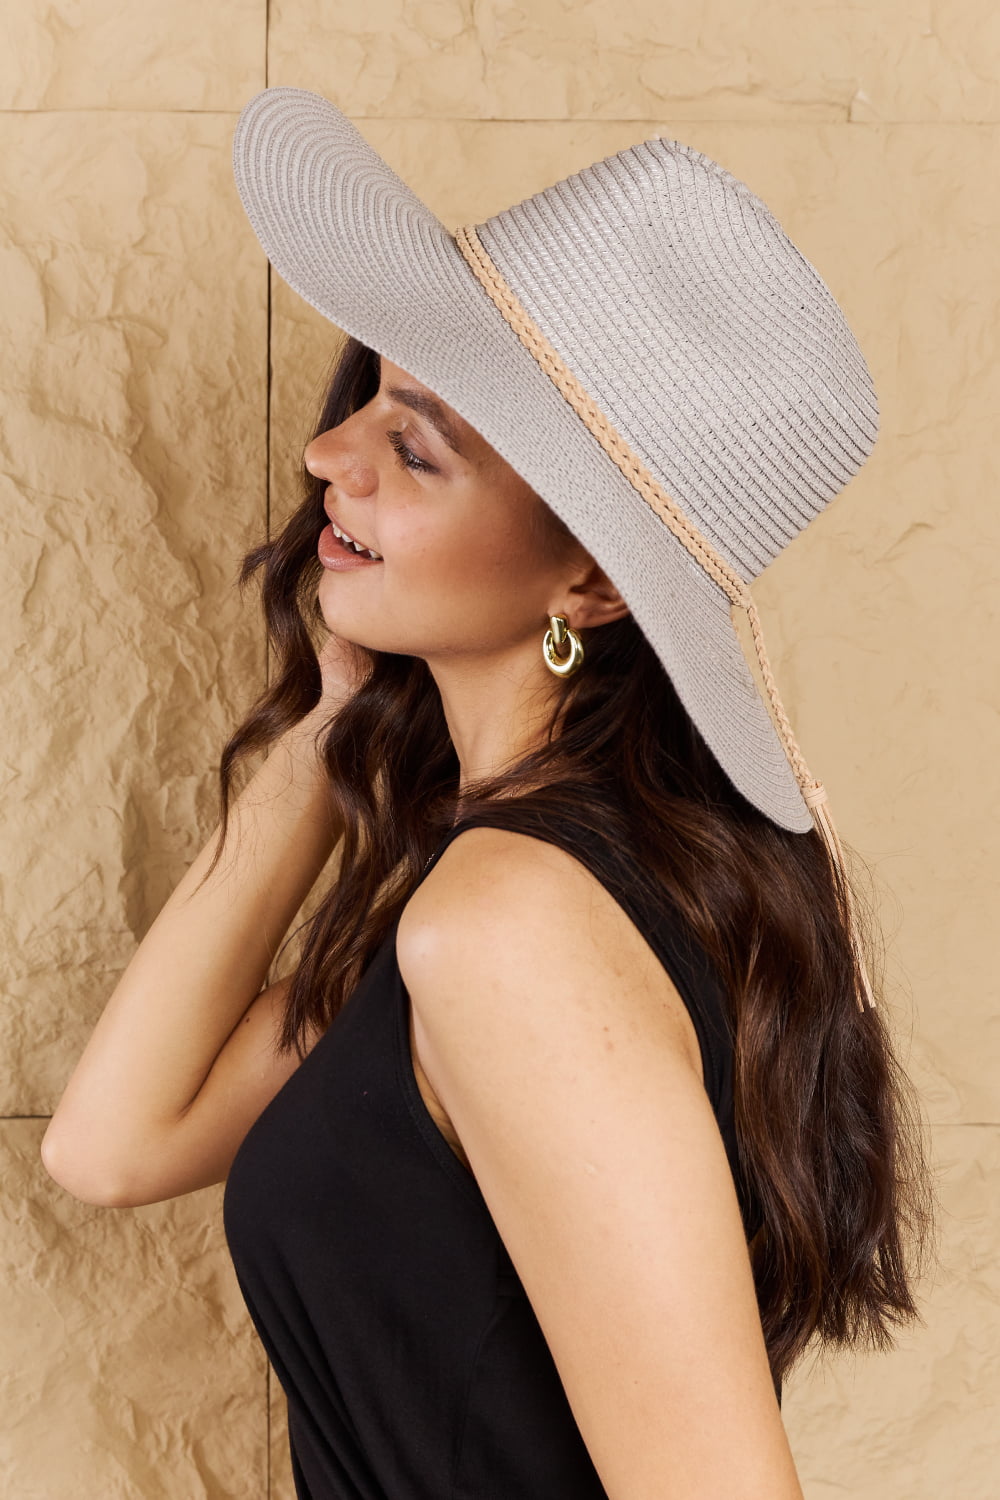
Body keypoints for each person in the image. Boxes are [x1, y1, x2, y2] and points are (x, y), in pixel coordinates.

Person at [42, 87, 934, 1499]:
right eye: (370, 399)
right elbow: (113, 1144)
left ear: (590, 583)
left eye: (418, 447)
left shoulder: (514, 926)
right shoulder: (500, 891)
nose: (329, 458)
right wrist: (335, 730)